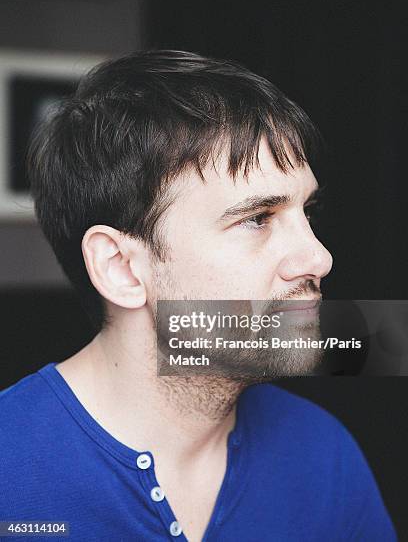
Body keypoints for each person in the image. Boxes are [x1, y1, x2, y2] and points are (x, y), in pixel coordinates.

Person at [0, 51, 396, 541]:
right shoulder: (9, 474)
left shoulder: (323, 455)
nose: (319, 258)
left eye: (306, 212)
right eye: (257, 218)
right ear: (121, 268)